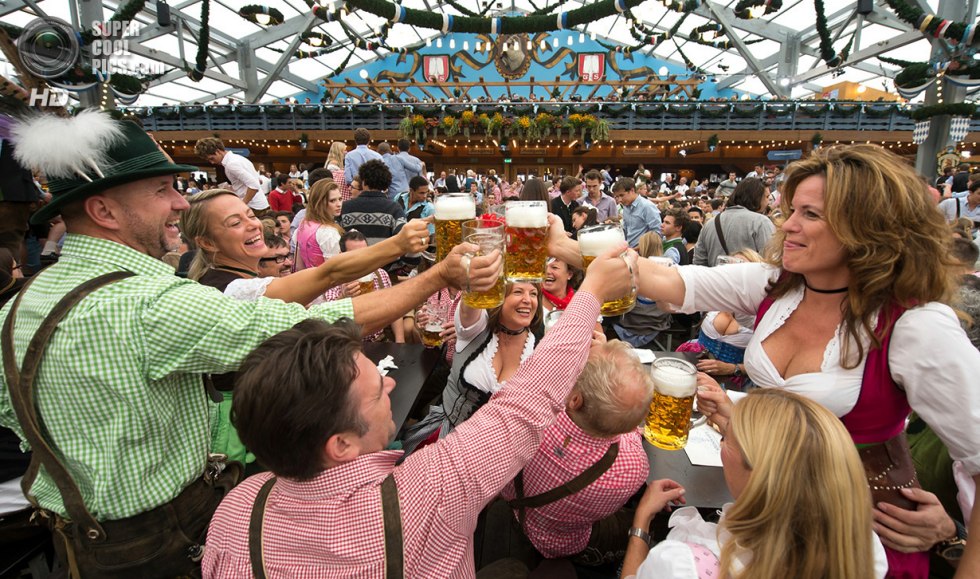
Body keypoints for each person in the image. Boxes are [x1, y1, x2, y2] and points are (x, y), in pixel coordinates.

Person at [0, 114, 499, 576]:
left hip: (74, 543)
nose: (179, 201)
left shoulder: (21, 304)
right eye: (161, 190)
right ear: (103, 209)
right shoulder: (148, 303)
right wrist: (435, 276)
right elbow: (308, 326)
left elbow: (14, 418)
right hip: (164, 543)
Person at [589, 145, 980, 578]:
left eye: (810, 214)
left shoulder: (916, 326)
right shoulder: (780, 287)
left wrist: (958, 542)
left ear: (867, 228)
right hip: (767, 519)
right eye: (791, 210)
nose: (788, 225)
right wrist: (566, 247)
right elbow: (670, 279)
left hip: (856, 539)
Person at [201, 235, 635, 577]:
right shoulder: (428, 493)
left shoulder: (237, 510)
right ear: (340, 444)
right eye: (376, 391)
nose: (392, 383)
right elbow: (524, 406)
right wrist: (592, 291)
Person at [621, 389, 887, 579]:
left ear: (760, 477)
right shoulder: (863, 548)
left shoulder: (681, 566)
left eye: (727, 439)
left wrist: (641, 521)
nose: (723, 443)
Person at [492, 339, 653, 567]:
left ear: (575, 400)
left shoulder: (528, 414)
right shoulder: (634, 467)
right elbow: (627, 434)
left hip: (514, 508)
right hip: (564, 541)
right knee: (649, 519)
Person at [402, 279, 545, 453]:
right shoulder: (476, 329)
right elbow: (472, 294)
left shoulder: (538, 349)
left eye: (533, 294)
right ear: (498, 296)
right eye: (518, 292)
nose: (528, 300)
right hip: (445, 439)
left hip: (496, 452)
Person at [315, 230, 404, 343]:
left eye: (365, 252)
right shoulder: (333, 279)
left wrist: (400, 340)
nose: (361, 258)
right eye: (355, 254)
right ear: (341, 255)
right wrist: (343, 296)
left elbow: (394, 308)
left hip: (378, 340)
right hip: (345, 344)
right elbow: (326, 318)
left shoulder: (380, 274)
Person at [692, 177, 774, 266]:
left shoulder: (710, 223)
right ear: (757, 197)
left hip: (716, 278)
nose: (768, 202)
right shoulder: (761, 222)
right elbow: (770, 261)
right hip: (748, 278)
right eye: (767, 197)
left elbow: (699, 262)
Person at [194, 137, 270, 216]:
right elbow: (258, 181)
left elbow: (254, 185)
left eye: (212, 158)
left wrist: (242, 204)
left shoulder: (231, 164)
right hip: (259, 204)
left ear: (218, 151)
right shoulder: (239, 158)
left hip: (253, 207)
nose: (212, 162)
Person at [340, 160, 407, 245]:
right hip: (385, 257)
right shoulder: (395, 208)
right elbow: (403, 238)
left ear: (363, 182)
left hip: (353, 257)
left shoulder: (345, 207)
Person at [294, 180, 345, 270]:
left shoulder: (304, 223)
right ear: (319, 202)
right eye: (332, 201)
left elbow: (299, 266)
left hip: (306, 280)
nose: (339, 204)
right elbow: (333, 270)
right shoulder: (328, 232)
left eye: (340, 199)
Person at [612, 177, 661, 248]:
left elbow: (657, 234)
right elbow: (626, 230)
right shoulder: (626, 206)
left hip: (644, 252)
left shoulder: (647, 206)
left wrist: (639, 248)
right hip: (628, 250)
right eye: (617, 197)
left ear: (632, 190)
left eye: (622, 195)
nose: (619, 199)